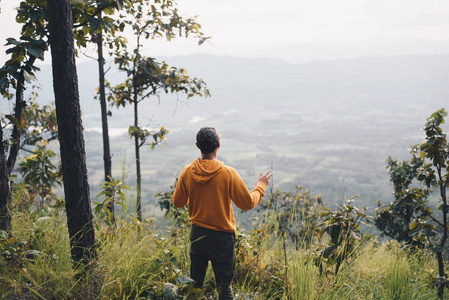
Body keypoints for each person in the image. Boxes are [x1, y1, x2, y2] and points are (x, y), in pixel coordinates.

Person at [173, 127, 273, 300]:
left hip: (198, 234)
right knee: (224, 288)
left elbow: (178, 202)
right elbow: (247, 203)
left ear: (197, 145)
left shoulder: (187, 171)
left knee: (195, 285)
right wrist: (261, 186)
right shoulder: (228, 173)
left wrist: (196, 195)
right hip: (222, 238)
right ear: (218, 145)